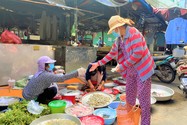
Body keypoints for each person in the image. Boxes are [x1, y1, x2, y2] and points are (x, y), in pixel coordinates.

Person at [89, 15, 155, 125]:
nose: (114, 32)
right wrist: (98, 63)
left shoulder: (134, 33)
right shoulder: (119, 39)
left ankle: (145, 123)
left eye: (114, 30)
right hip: (131, 71)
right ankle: (130, 121)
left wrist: (122, 65)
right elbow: (112, 53)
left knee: (144, 102)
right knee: (129, 98)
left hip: (143, 70)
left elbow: (138, 53)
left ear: (119, 27)